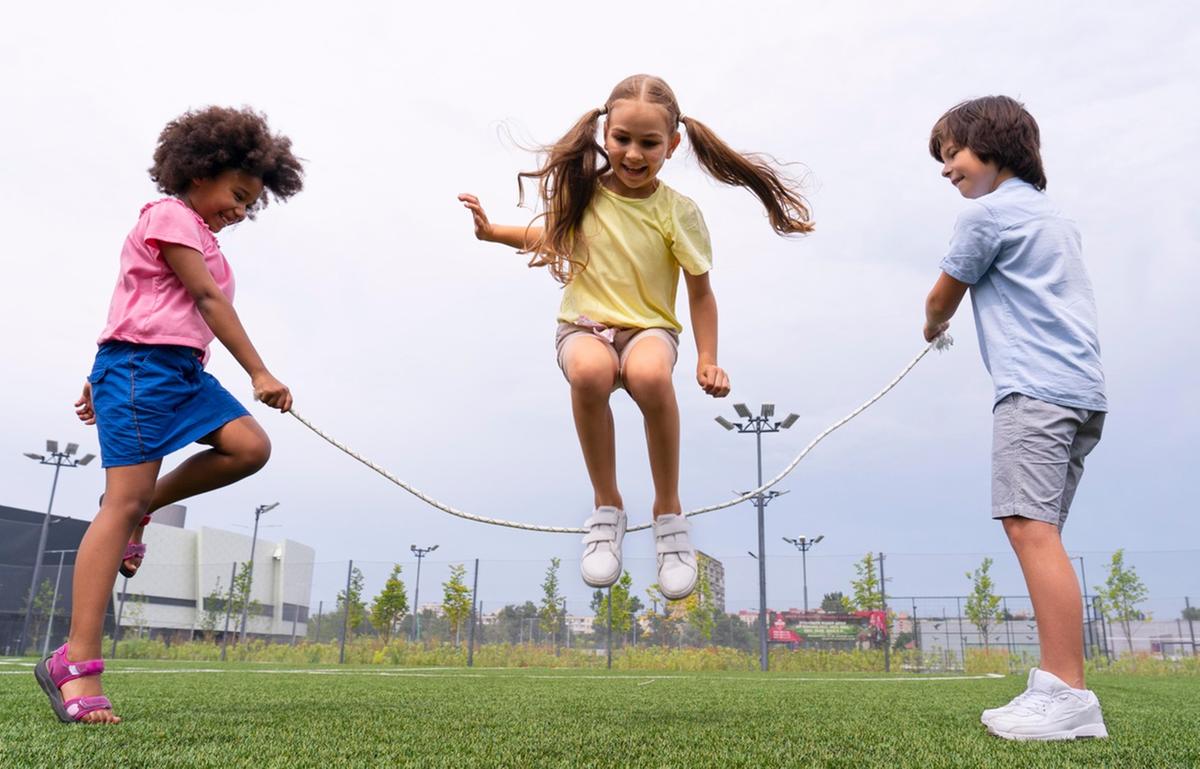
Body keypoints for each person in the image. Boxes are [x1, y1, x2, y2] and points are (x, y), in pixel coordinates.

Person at [459, 74, 812, 601]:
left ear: (672, 144)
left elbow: (700, 293)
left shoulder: (677, 211)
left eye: (649, 143)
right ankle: (607, 509)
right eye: (622, 139)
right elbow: (549, 236)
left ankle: (669, 515)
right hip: (585, 326)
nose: (632, 153)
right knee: (589, 372)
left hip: (649, 329)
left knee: (648, 376)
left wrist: (708, 357)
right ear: (605, 134)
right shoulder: (584, 194)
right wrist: (492, 233)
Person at [34, 106, 304, 724]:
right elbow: (203, 299)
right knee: (119, 504)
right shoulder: (168, 214)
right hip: (142, 370)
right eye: (237, 195)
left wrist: (98, 372)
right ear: (200, 172)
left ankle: (142, 509)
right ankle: (76, 662)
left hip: (179, 372)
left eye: (250, 203)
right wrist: (259, 371)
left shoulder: (206, 240)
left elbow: (143, 299)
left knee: (248, 447)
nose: (241, 210)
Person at [923, 95, 1108, 740]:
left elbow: (943, 294)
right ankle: (1058, 687)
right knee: (1041, 530)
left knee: (1030, 529)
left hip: (1034, 392)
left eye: (953, 153)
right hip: (1082, 393)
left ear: (992, 147)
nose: (946, 168)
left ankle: (1067, 695)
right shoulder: (1055, 217)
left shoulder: (986, 215)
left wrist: (932, 325)